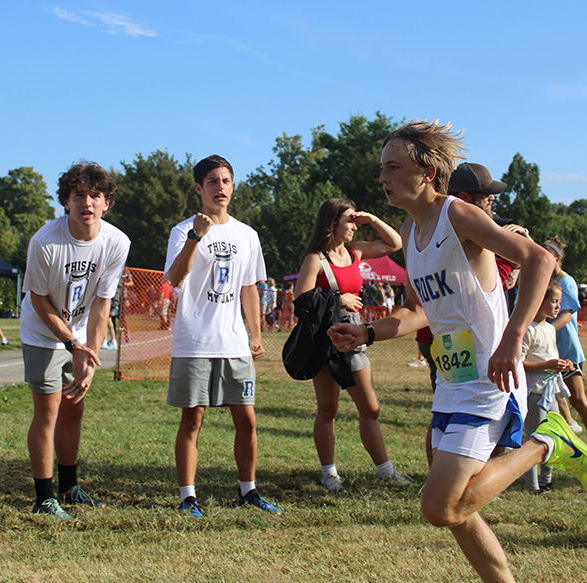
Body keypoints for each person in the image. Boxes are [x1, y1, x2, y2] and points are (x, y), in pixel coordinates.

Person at [328, 119, 587, 583]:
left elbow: (538, 259)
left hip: (492, 380)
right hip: (453, 381)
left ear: (429, 172)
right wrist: (367, 331)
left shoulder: (457, 214)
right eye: (381, 169)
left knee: (440, 507)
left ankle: (547, 442)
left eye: (394, 167)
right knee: (458, 510)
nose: (383, 178)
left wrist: (514, 338)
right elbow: (415, 312)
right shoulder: (412, 235)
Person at [165, 155, 281, 518]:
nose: (220, 187)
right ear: (199, 188)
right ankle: (188, 497)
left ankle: (248, 491)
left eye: (226, 181)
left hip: (233, 344)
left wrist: (256, 333)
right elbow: (175, 278)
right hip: (195, 342)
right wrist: (196, 237)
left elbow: (249, 287)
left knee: (247, 420)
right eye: (212, 181)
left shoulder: (247, 234)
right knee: (193, 420)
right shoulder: (183, 230)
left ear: (233, 186)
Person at [20, 161, 130, 519]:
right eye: (79, 195)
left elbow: (102, 304)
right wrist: (71, 344)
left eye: (95, 196)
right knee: (48, 411)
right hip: (42, 331)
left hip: (80, 336)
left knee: (75, 408)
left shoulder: (117, 242)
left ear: (106, 203)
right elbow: (38, 300)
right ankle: (44, 497)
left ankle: (69, 488)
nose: (87, 203)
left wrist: (90, 357)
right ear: (65, 201)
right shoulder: (45, 242)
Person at [294, 197, 409, 491]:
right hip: (326, 340)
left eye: (356, 222)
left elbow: (394, 243)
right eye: (350, 221)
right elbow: (300, 301)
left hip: (356, 336)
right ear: (332, 223)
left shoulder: (355, 251)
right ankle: (329, 472)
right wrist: (337, 298)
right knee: (328, 409)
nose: (354, 227)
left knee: (370, 408)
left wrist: (372, 220)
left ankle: (384, 470)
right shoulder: (315, 259)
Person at [541, 237, 587, 452]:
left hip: (567, 350)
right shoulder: (544, 279)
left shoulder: (566, 281)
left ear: (557, 258)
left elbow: (566, 316)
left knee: (578, 399)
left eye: (548, 255)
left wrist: (545, 330)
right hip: (548, 350)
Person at [521, 280, 573, 495]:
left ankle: (546, 481)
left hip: (550, 392)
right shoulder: (527, 329)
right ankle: (533, 487)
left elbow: (552, 357)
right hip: (534, 393)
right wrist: (546, 365)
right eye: (553, 301)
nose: (557, 307)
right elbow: (517, 363)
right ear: (538, 300)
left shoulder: (550, 329)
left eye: (559, 302)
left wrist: (563, 364)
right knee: (535, 439)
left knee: (554, 437)